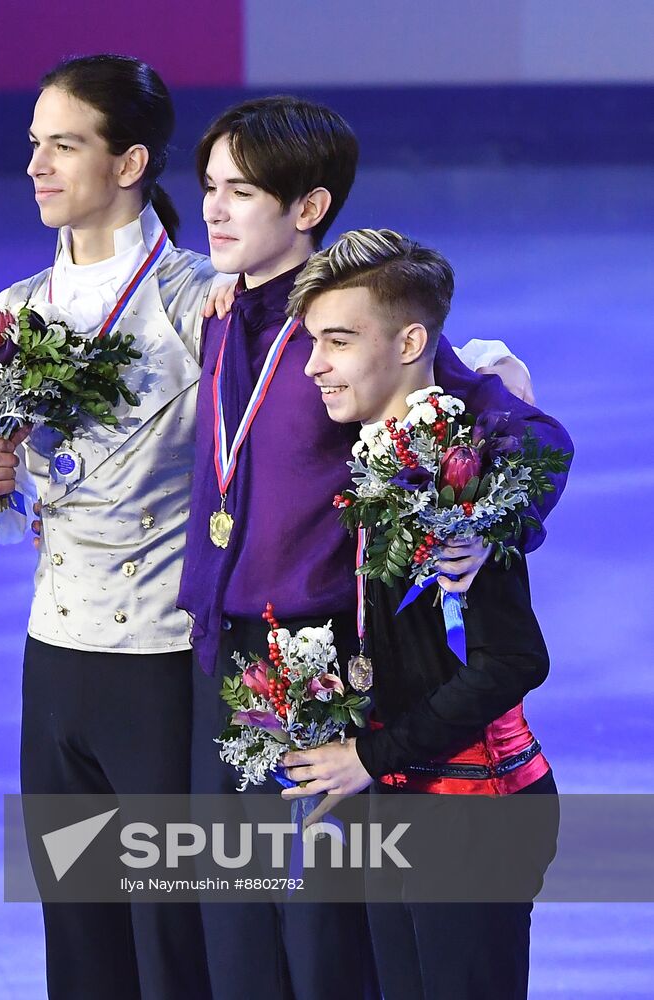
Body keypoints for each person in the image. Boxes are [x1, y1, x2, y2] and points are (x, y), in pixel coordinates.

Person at [178, 98, 530, 1000]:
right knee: (237, 931)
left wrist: (496, 525)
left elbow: (514, 429)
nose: (213, 208)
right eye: (209, 186)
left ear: (307, 207)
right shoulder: (221, 312)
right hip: (226, 660)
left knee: (329, 942)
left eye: (240, 191)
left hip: (327, 666)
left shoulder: (361, 334)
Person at [0, 54, 217, 1000]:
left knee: (174, 939)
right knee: (80, 936)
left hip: (168, 664)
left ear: (128, 162)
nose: (35, 166)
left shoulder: (202, 302)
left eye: (63, 145)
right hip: (55, 662)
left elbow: (361, 358)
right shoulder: (10, 315)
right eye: (33, 144)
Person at [280, 228, 573, 999]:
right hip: (399, 799)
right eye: (313, 340)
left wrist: (372, 755)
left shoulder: (463, 473)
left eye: (337, 341)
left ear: (410, 343)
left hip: (474, 811)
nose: (313, 365)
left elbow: (513, 660)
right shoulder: (372, 456)